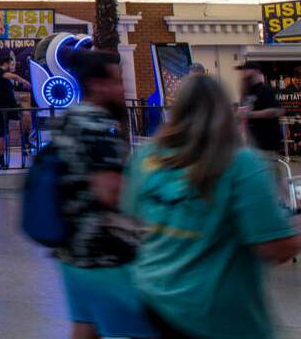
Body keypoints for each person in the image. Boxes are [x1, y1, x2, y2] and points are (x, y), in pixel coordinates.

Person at [124, 75, 301, 339]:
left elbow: (132, 219)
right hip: (217, 315)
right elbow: (273, 248)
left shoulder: (146, 158)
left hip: (153, 300)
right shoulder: (240, 163)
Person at [54, 50, 154, 339]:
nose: (123, 89)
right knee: (144, 328)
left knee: (86, 327)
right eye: (118, 81)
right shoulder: (97, 128)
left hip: (72, 250)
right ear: (98, 85)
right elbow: (110, 193)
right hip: (105, 253)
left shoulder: (67, 119)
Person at [0, 53, 29, 170]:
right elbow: (13, 77)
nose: (12, 66)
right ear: (5, 63)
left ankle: (25, 142)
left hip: (9, 106)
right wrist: (24, 81)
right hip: (0, 108)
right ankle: (1, 161)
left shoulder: (2, 76)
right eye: (11, 64)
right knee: (2, 135)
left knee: (26, 116)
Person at [239, 63, 284, 157]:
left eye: (246, 70)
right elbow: (244, 117)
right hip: (252, 146)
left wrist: (250, 114)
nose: (243, 73)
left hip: (266, 146)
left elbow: (277, 111)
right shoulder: (247, 92)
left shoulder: (265, 89)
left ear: (255, 72)